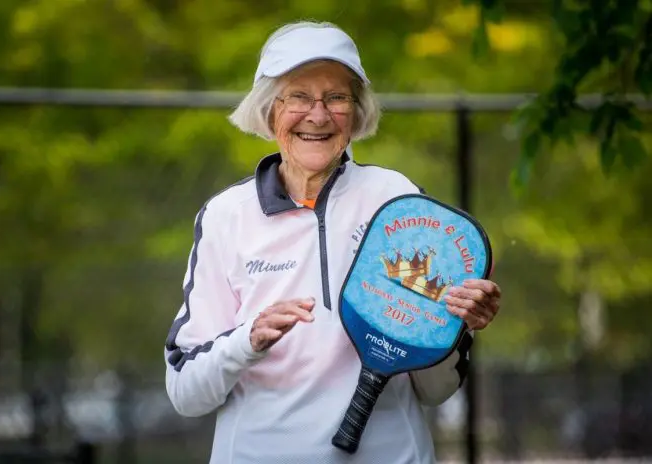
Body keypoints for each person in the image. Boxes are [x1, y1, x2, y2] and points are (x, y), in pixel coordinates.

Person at [164, 21, 501, 464]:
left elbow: (436, 390)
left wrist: (454, 326)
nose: (318, 115)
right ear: (269, 111)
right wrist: (248, 338)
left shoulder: (395, 198)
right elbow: (186, 393)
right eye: (299, 96)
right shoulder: (225, 217)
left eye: (336, 97)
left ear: (357, 111)